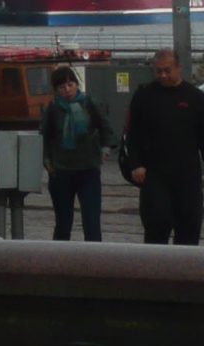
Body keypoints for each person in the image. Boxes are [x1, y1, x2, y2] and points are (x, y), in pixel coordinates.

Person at [120, 47, 204, 245]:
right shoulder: (144, 96)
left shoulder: (195, 98)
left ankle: (184, 272)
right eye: (159, 71)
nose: (163, 75)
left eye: (167, 70)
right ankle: (155, 271)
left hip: (188, 175)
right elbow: (132, 135)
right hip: (154, 174)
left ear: (179, 68)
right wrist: (136, 164)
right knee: (157, 224)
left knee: (189, 228)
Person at [40, 64, 113, 242]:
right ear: (56, 90)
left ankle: (94, 262)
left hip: (88, 170)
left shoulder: (89, 103)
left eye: (70, 85)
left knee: (91, 222)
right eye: (62, 87)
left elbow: (105, 127)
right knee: (63, 223)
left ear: (76, 84)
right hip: (61, 172)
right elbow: (45, 136)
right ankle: (60, 263)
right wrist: (47, 159)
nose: (67, 90)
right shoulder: (53, 108)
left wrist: (105, 148)